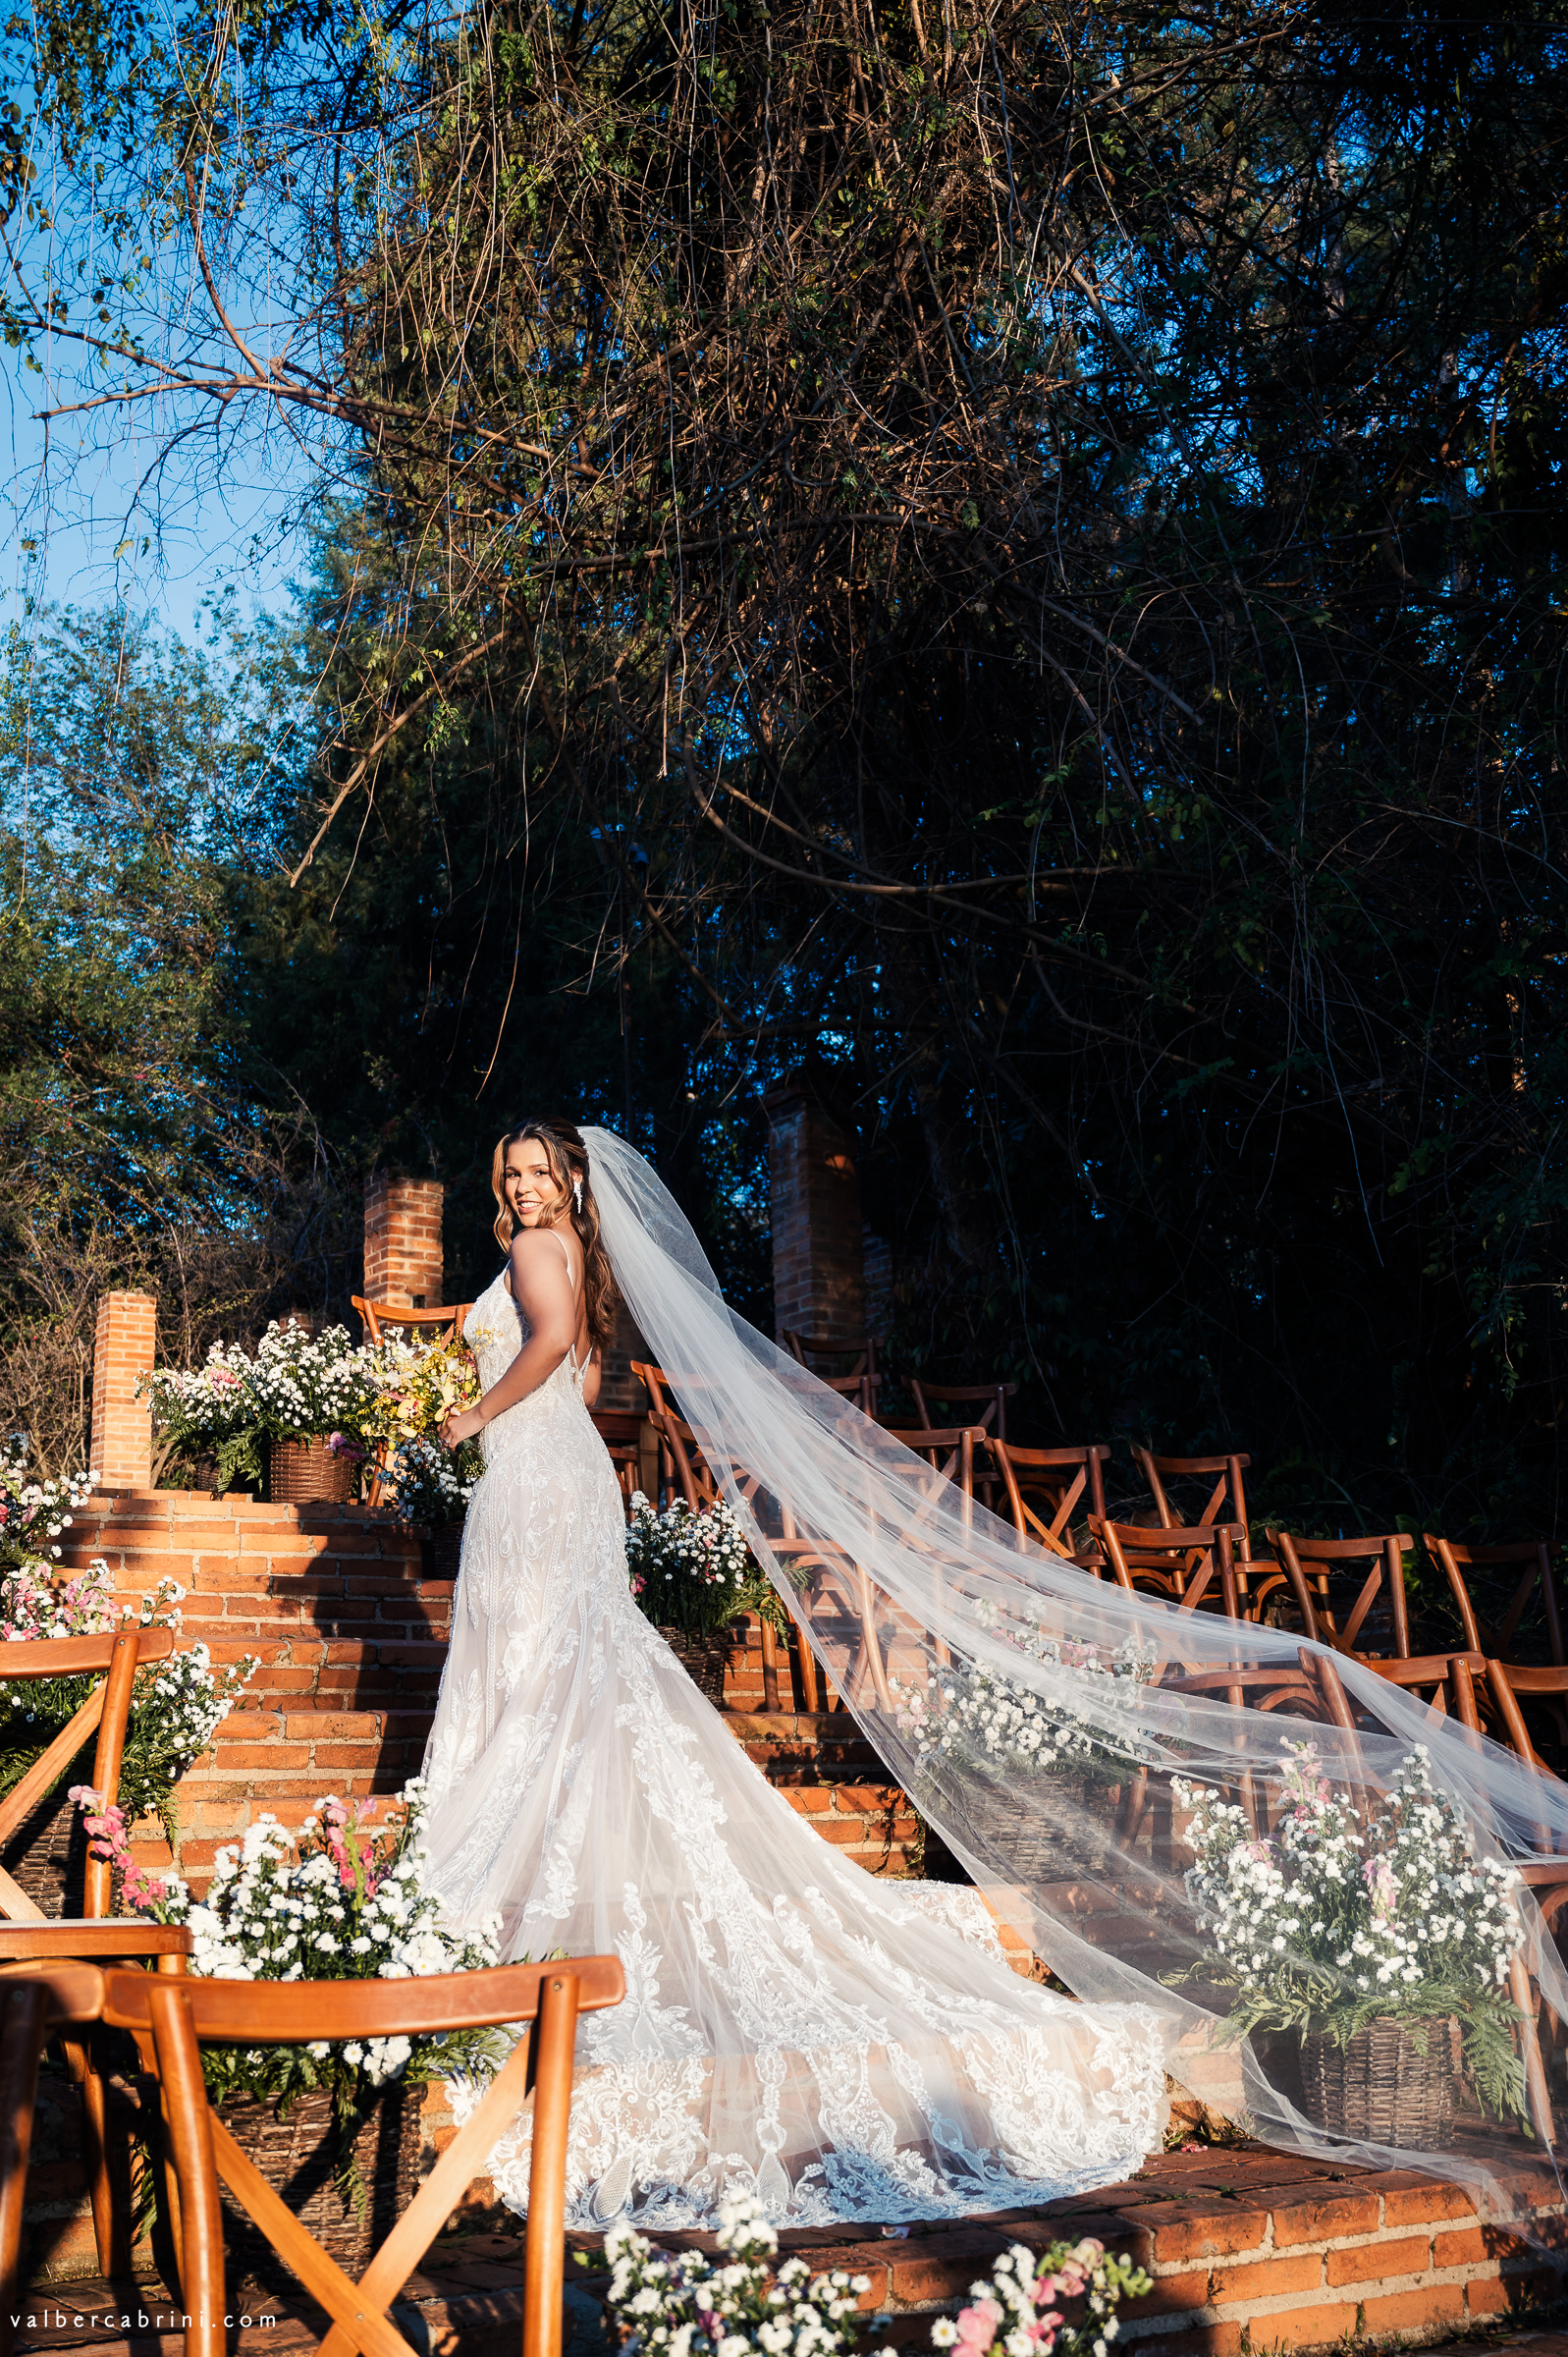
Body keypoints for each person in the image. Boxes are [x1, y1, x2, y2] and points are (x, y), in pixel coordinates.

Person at [427, 1119, 1174, 2230]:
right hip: (559, 1476)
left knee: (539, 1669)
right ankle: (542, 1866)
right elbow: (579, 1380)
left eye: (540, 1173)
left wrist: (473, 1417)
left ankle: (507, 1872)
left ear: (569, 1183)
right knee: (559, 1673)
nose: (527, 1189)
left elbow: (550, 1347)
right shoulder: (576, 1251)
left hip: (535, 1483)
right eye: (512, 1175)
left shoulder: (542, 1254)